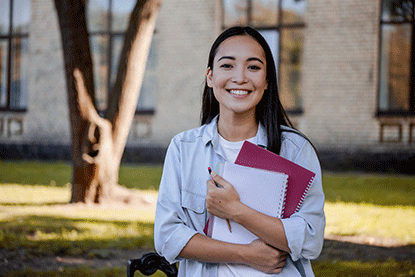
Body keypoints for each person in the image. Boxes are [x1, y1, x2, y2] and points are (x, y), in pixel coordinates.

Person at [154, 26, 325, 276]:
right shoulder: (184, 148)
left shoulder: (295, 149)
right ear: (210, 77)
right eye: (227, 65)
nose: (240, 77)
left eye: (253, 67)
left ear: (267, 81)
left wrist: (237, 211)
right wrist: (246, 255)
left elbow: (310, 240)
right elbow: (167, 237)